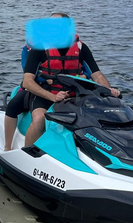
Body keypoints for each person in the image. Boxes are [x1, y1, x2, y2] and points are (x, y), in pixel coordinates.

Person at [11, 12, 120, 148]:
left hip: (74, 95)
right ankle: (27, 154)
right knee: (39, 119)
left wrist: (108, 91)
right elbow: (28, 81)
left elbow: (97, 76)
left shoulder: (81, 48)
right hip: (46, 93)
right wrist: (52, 97)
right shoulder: (40, 48)